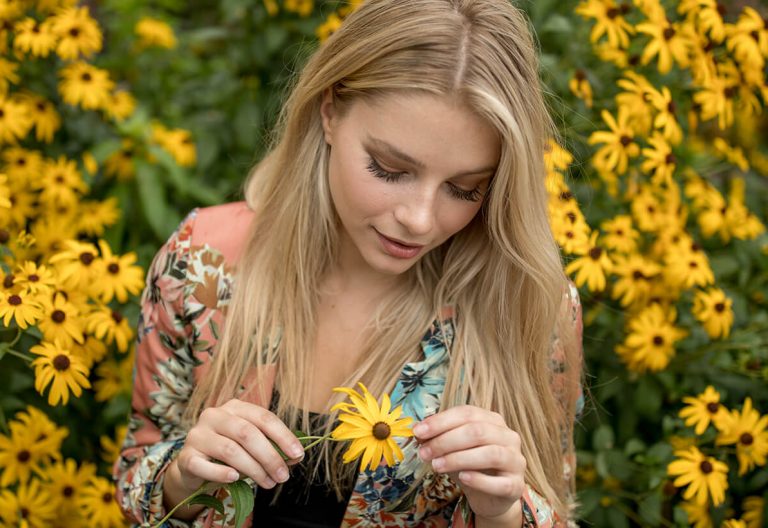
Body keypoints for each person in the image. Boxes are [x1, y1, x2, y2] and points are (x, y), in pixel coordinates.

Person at [113, 0, 584, 527]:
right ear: (330, 110)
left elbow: (556, 507)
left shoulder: (526, 304)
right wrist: (183, 476)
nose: (420, 219)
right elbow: (137, 477)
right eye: (388, 169)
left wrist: (503, 511)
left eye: (465, 188)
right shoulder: (203, 264)